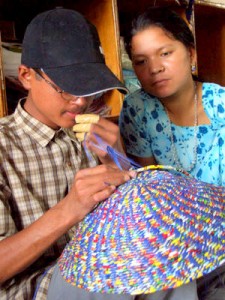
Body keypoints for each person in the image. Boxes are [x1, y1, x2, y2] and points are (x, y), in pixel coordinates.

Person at [0, 7, 136, 299]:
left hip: (93, 266)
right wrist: (71, 208)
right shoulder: (3, 146)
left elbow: (135, 220)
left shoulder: (93, 135)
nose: (80, 101)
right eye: (66, 88)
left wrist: (117, 158)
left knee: (168, 257)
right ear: (25, 75)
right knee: (117, 273)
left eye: (88, 87)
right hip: (33, 288)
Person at [119, 6, 225, 300]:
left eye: (165, 53)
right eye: (141, 61)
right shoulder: (137, 109)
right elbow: (149, 189)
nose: (154, 68)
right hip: (172, 245)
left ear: (191, 54)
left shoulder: (222, 107)